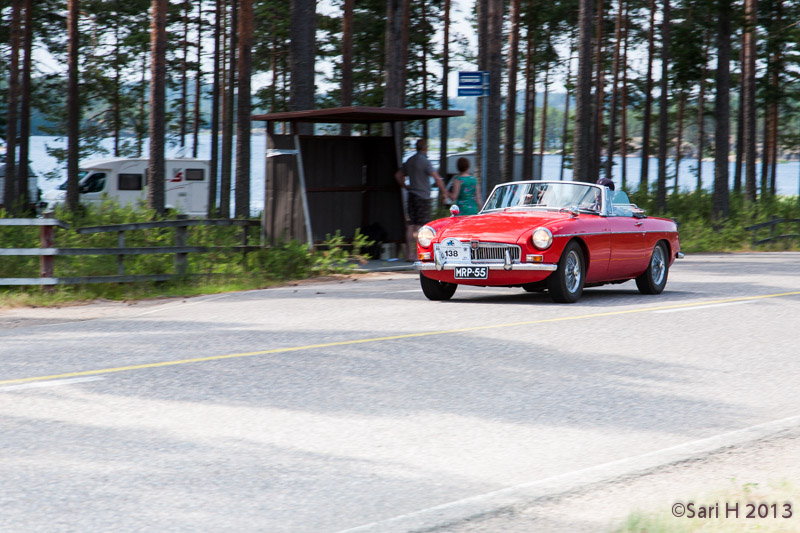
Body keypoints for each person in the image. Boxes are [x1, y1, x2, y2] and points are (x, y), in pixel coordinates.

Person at [395, 139, 447, 261]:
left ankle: (409, 254)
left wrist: (405, 187)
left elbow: (398, 175)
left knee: (410, 225)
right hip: (423, 197)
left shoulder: (410, 160)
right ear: (426, 148)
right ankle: (421, 253)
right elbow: (436, 178)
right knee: (422, 227)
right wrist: (444, 192)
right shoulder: (425, 162)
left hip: (411, 195)